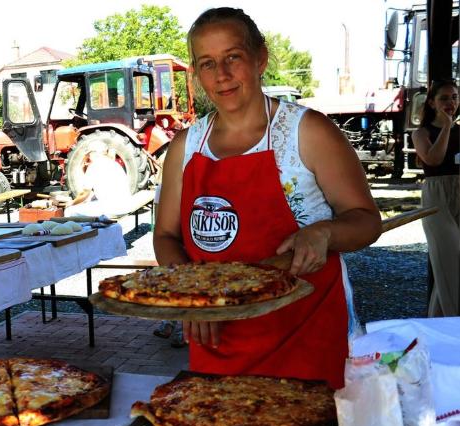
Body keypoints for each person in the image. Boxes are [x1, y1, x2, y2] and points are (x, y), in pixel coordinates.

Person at [153, 7, 381, 388]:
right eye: (207, 64)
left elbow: (366, 220)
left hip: (305, 340)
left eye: (233, 58)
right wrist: (191, 293)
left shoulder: (307, 132)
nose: (221, 75)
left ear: (261, 58)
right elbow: (165, 236)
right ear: (196, 74)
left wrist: (325, 232)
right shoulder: (185, 147)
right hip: (217, 343)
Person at [411, 80, 459, 317]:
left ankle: (438, 324)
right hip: (437, 195)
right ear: (432, 102)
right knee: (450, 259)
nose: (451, 102)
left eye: (455, 97)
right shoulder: (421, 133)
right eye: (444, 98)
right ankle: (455, 322)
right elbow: (433, 160)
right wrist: (447, 127)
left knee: (448, 272)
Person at [63, 148, 131, 217]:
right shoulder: (115, 164)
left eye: (88, 156)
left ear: (92, 155)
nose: (87, 161)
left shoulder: (94, 166)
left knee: (69, 211)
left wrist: (72, 203)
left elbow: (84, 194)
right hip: (125, 205)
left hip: (111, 208)